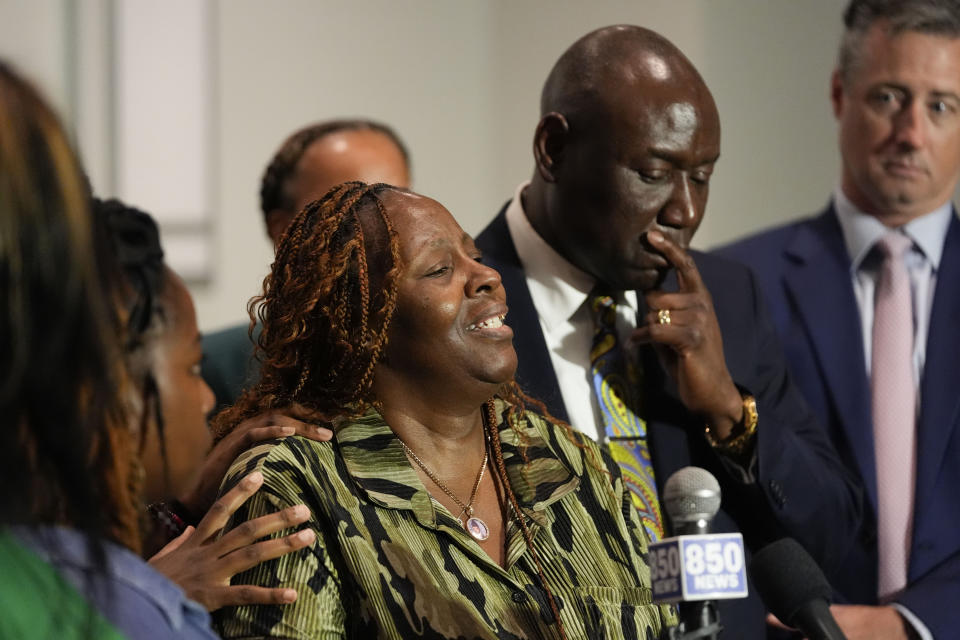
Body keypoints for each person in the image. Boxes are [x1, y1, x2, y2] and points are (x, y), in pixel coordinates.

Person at [474, 25, 863, 637]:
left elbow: (834, 538)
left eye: (702, 176)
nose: (684, 211)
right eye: (654, 172)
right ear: (552, 149)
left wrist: (731, 414)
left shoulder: (727, 298)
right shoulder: (449, 308)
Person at [212, 181, 677, 639]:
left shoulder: (575, 461)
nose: (487, 276)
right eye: (439, 270)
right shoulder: (295, 485)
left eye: (474, 256)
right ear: (364, 323)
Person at [716, 1, 960, 638]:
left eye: (941, 106)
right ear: (837, 92)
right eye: (888, 97)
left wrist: (907, 624)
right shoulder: (735, 286)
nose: (911, 132)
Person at [202, 120, 411, 410]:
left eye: (397, 201)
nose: (381, 225)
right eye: (345, 205)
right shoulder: (214, 367)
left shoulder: (447, 355)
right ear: (283, 229)